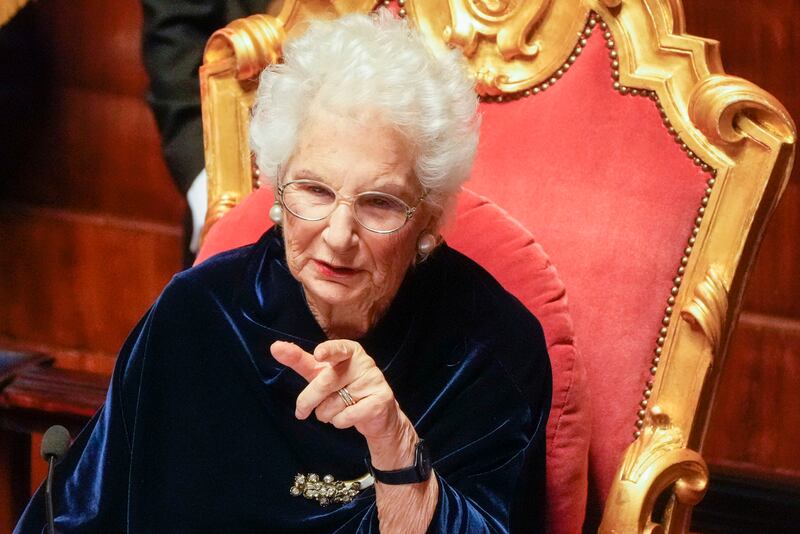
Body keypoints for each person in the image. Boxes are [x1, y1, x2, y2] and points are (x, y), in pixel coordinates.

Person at [15, 11, 551, 533]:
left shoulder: (492, 350)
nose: (339, 235)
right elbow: (81, 515)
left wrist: (394, 444)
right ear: (276, 188)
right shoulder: (199, 317)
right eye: (315, 190)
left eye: (379, 203)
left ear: (429, 219)